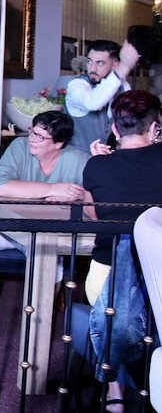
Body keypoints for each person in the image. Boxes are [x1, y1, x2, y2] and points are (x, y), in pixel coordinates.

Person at [0, 110, 88, 334]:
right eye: (32, 132)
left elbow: (92, 196)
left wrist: (78, 195)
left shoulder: (79, 160)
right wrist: (52, 190)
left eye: (40, 137)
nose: (32, 139)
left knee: (49, 256)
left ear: (59, 143)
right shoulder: (19, 147)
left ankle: (40, 320)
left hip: (47, 233)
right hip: (6, 227)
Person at [81, 90, 162, 406]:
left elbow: (93, 213)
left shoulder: (96, 166)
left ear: (115, 129)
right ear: (155, 127)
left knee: (112, 315)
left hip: (108, 272)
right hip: (158, 270)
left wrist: (101, 159)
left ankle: (114, 391)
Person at [66, 39, 139, 153]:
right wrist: (123, 68)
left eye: (100, 63)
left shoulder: (123, 86)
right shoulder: (76, 85)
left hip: (106, 159)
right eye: (90, 61)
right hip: (77, 159)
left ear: (115, 65)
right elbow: (92, 102)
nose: (92, 68)